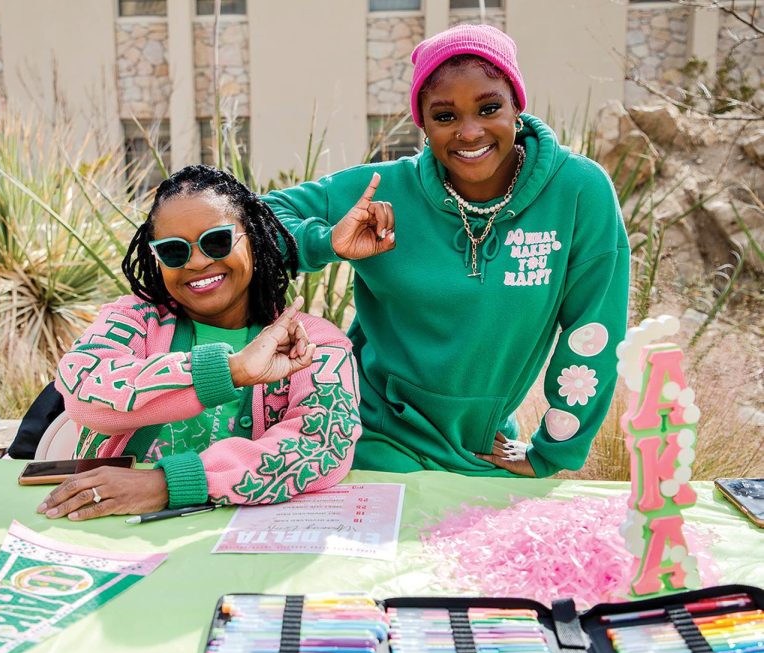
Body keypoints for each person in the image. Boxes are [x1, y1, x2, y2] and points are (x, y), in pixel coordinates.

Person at [264, 24, 630, 478]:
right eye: (445, 116)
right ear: (423, 124)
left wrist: (551, 451)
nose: (469, 131)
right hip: (367, 435)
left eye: (489, 107)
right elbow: (259, 216)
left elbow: (594, 328)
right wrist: (327, 242)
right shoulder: (386, 189)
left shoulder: (576, 191)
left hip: (481, 449)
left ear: (517, 107)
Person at [37, 165, 361, 521]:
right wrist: (230, 371)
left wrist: (168, 485)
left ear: (251, 237)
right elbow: (83, 392)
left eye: (217, 241)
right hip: (111, 528)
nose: (198, 262)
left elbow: (324, 445)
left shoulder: (313, 342)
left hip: (234, 543)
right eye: (174, 251)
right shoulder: (133, 320)